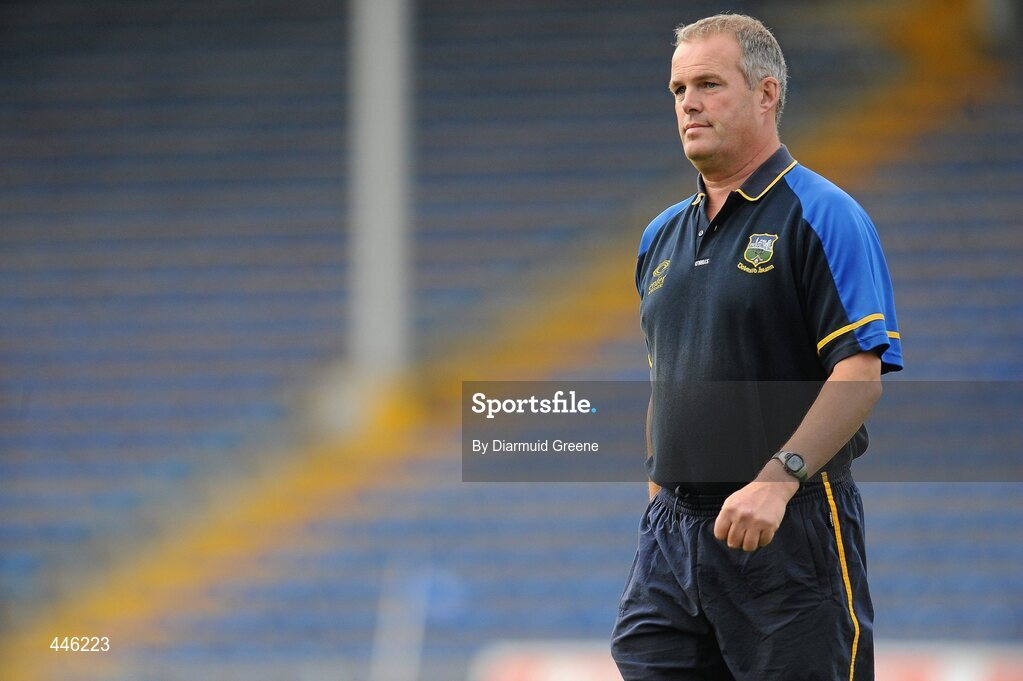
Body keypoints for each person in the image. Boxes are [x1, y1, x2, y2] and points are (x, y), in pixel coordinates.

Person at [611, 14, 903, 681]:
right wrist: (658, 500)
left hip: (788, 532)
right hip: (674, 540)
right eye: (678, 88)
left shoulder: (822, 214)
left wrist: (775, 483)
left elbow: (859, 371)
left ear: (766, 94)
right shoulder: (658, 236)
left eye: (709, 84)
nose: (688, 102)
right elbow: (666, 378)